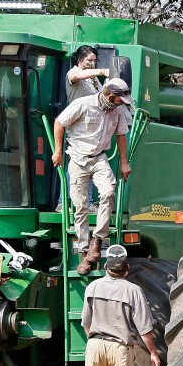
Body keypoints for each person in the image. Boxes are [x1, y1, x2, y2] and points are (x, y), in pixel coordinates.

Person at [52, 78, 134, 275]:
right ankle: (83, 253)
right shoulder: (83, 104)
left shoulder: (118, 110)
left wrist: (124, 162)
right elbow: (59, 122)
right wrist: (58, 151)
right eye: (120, 99)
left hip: (99, 158)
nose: (122, 103)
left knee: (108, 192)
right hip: (78, 158)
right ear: (110, 96)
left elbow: (121, 135)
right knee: (80, 206)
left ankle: (97, 241)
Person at [58, 45, 108, 212]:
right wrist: (102, 72)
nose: (92, 64)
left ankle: (87, 202)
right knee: (76, 162)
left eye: (94, 61)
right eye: (89, 60)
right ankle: (63, 202)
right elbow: (77, 75)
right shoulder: (73, 73)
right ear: (79, 60)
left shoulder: (93, 80)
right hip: (79, 125)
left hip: (93, 127)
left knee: (91, 161)